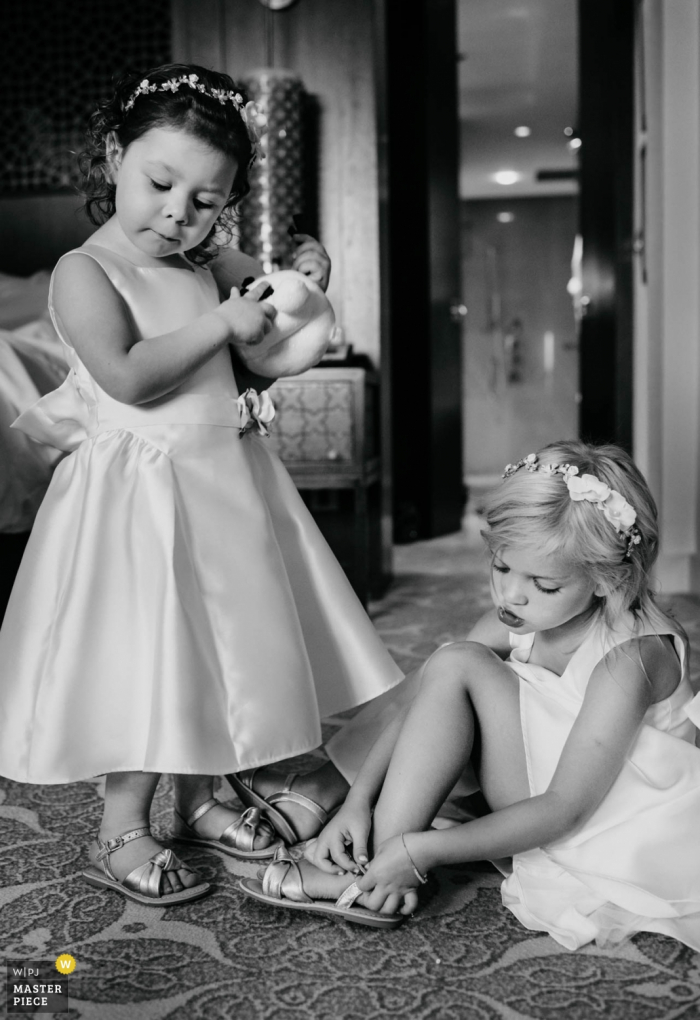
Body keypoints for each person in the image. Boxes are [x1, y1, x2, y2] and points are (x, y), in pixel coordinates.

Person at [0, 63, 402, 906]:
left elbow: (267, 302)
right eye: (160, 182)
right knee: (152, 655)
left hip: (223, 481)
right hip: (136, 497)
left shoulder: (203, 255)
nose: (180, 211)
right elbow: (127, 372)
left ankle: (201, 795)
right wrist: (222, 319)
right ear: (114, 156)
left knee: (230, 649)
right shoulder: (85, 270)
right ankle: (124, 820)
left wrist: (299, 282)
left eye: (208, 198)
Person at [240, 441, 700, 949]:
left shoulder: (631, 658)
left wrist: (426, 850)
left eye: (543, 585)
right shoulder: (517, 621)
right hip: (543, 785)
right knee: (451, 662)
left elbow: (566, 807)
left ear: (607, 581)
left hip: (601, 822)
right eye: (501, 568)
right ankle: (371, 847)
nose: (511, 595)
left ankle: (374, 869)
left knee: (460, 662)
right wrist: (358, 799)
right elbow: (425, 704)